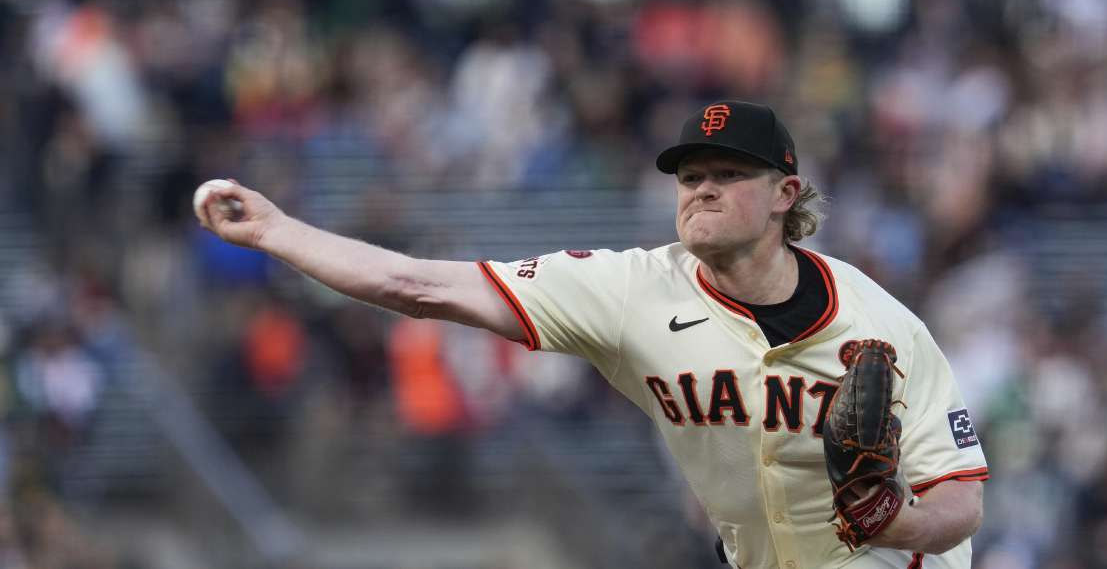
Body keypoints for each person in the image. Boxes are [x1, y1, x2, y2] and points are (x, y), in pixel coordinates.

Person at [197, 101, 988, 569]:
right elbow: (417, 286)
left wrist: (894, 521)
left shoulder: (881, 324)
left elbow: (960, 501)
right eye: (690, 176)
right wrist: (276, 231)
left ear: (786, 194)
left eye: (727, 174)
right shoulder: (632, 291)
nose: (701, 189)